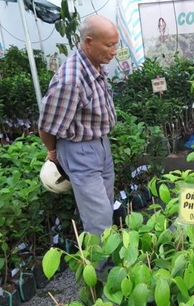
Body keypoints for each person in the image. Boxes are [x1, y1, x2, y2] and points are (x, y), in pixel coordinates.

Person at [38, 15, 119, 237]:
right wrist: (53, 152)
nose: (114, 51)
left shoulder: (96, 66)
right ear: (89, 41)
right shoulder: (71, 80)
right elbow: (46, 126)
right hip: (80, 150)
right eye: (109, 45)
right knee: (98, 219)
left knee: (105, 206)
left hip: (100, 144)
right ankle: (102, 271)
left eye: (116, 44)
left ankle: (108, 263)